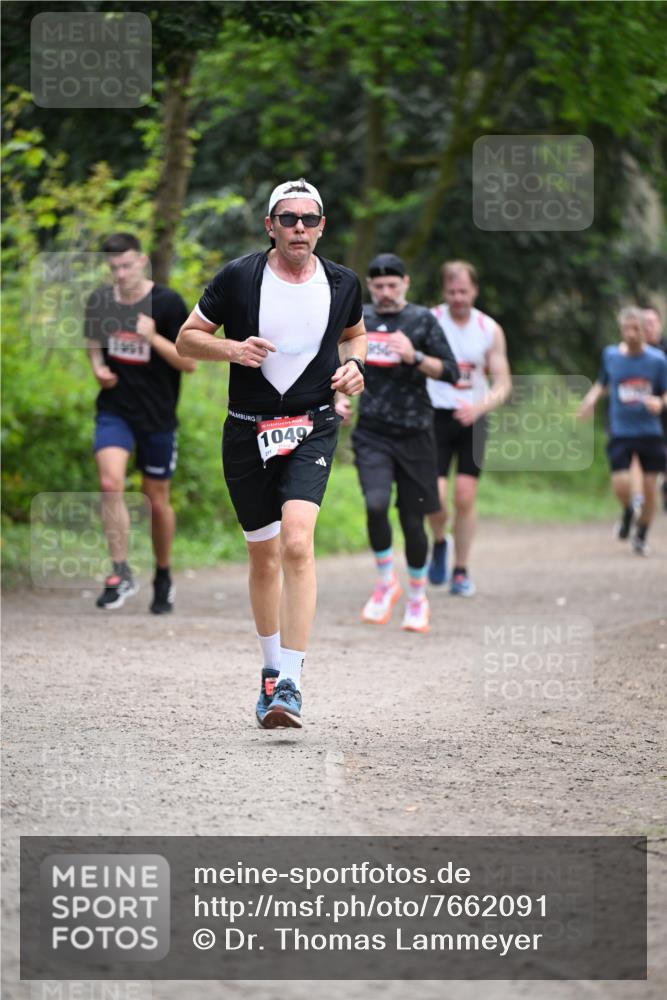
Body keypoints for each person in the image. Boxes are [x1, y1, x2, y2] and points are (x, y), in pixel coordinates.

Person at [176, 179, 366, 729]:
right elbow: (187, 338)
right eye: (288, 219)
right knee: (263, 557)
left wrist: (356, 367)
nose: (298, 228)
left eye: (309, 219)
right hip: (247, 431)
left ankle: (291, 681)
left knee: (298, 544)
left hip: (313, 426)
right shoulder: (239, 277)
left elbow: (355, 336)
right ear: (270, 226)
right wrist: (232, 348)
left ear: (322, 227)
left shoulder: (343, 282)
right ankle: (268, 671)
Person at [347, 252, 459, 634]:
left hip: (416, 434)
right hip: (372, 432)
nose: (385, 292)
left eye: (392, 285)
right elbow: (340, 358)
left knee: (413, 520)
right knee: (375, 504)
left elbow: (451, 371)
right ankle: (385, 583)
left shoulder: (421, 320)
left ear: (405, 284)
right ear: (369, 285)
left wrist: (415, 356)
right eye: (378, 286)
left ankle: (417, 597)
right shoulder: (360, 318)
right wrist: (340, 397)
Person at [85, 233, 195, 613]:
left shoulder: (167, 303)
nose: (120, 274)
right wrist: (98, 368)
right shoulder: (101, 301)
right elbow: (94, 344)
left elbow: (189, 363)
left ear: (143, 261)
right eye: (114, 267)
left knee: (156, 502)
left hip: (158, 416)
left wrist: (154, 338)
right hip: (115, 409)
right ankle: (120, 572)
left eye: (127, 265)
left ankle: (163, 575)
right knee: (109, 483)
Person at [426, 260, 511, 596]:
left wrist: (478, 408)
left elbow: (503, 384)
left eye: (463, 291)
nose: (458, 298)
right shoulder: (430, 321)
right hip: (435, 415)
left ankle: (460, 569)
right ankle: (439, 541)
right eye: (452, 292)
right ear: (444, 292)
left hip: (473, 419)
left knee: (464, 496)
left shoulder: (489, 329)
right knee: (434, 496)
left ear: (474, 290)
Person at [578, 306, 667, 555]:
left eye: (635, 328)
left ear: (643, 330)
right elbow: (602, 382)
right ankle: (628, 510)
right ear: (620, 329)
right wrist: (590, 400)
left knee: (649, 489)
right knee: (620, 483)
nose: (631, 334)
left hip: (650, 432)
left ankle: (641, 535)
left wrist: (660, 402)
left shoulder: (657, 360)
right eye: (626, 329)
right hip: (621, 430)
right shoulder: (611, 356)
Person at [643, 305, 667, 511]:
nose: (648, 327)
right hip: (643, 416)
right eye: (644, 323)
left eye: (652, 322)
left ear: (660, 324)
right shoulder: (634, 352)